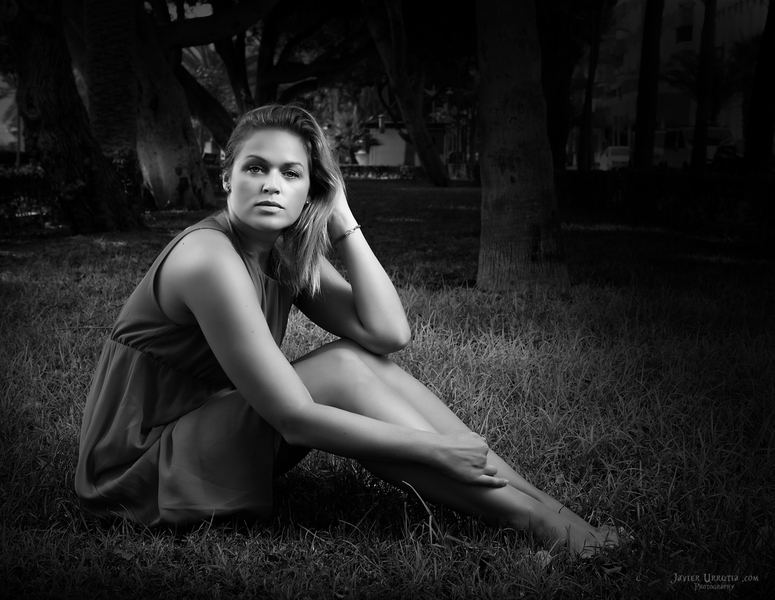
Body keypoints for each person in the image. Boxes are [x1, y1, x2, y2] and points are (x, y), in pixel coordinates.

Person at [75, 104, 621, 557]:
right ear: (226, 177)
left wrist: (342, 219)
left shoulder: (281, 252)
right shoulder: (208, 257)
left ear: (312, 189)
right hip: (138, 469)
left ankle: (549, 508)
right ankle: (538, 523)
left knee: (361, 360)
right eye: (255, 168)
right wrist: (432, 449)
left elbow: (387, 335)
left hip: (205, 428)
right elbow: (294, 419)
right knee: (340, 369)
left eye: (292, 174)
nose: (271, 185)